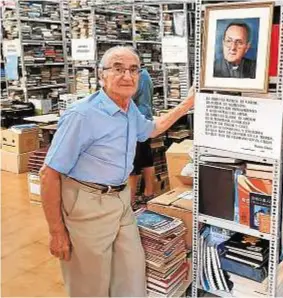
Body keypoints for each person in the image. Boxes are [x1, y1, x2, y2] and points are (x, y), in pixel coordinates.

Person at [39, 46, 194, 297]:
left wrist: (188, 103)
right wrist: (56, 232)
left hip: (121, 202)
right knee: (90, 285)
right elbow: (49, 174)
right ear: (101, 75)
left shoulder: (127, 107)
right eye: (118, 69)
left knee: (132, 278)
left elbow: (151, 129)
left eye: (133, 70)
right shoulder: (82, 115)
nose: (127, 76)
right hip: (88, 206)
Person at [129, 67, 156, 210]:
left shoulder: (139, 76)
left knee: (133, 163)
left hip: (137, 122)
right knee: (146, 159)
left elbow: (129, 95)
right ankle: (149, 194)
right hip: (146, 120)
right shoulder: (146, 74)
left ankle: (130, 201)